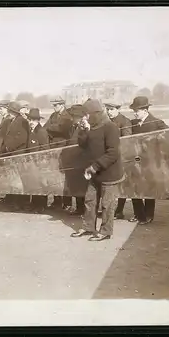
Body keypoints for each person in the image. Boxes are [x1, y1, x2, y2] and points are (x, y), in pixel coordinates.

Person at [70, 99, 125, 242]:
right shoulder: (92, 127)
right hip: (94, 172)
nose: (85, 117)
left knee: (107, 204)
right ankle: (88, 227)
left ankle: (106, 231)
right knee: (90, 200)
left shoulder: (110, 127)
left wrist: (95, 166)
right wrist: (83, 130)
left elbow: (113, 153)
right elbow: (83, 145)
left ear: (96, 114)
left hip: (109, 173)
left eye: (87, 115)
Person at [128, 96, 169, 225]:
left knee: (148, 188)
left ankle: (148, 215)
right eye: (134, 110)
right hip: (136, 161)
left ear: (145, 110)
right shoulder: (133, 123)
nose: (135, 113)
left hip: (150, 162)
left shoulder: (157, 122)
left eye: (137, 110)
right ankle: (138, 213)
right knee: (135, 187)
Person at [44, 95, 74, 209]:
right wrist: (53, 128)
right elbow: (46, 127)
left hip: (63, 149)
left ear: (62, 105)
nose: (54, 107)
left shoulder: (68, 116)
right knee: (55, 175)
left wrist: (51, 128)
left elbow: (63, 129)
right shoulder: (53, 115)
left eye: (56, 105)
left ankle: (67, 202)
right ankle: (57, 200)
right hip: (54, 148)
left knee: (64, 176)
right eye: (53, 105)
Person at [104, 102, 133, 220]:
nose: (109, 112)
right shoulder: (106, 122)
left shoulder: (125, 121)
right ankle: (112, 209)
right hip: (109, 158)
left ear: (117, 109)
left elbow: (127, 141)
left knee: (121, 185)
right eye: (107, 109)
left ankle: (119, 210)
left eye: (111, 109)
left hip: (121, 158)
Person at [26, 108, 50, 212]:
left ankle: (41, 206)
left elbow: (45, 149)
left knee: (40, 184)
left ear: (38, 120)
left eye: (33, 120)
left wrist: (40, 163)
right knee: (34, 184)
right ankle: (34, 204)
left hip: (39, 163)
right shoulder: (31, 131)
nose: (30, 122)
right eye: (29, 120)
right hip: (32, 163)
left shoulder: (41, 131)